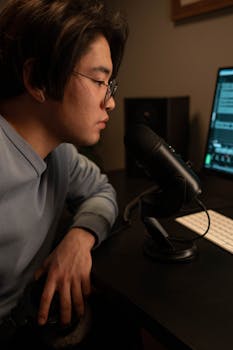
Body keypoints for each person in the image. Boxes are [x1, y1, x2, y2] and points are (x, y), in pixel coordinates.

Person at [0, 0, 140, 349]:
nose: (110, 102)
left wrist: (79, 238)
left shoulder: (60, 154)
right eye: (98, 81)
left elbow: (101, 191)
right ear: (37, 80)